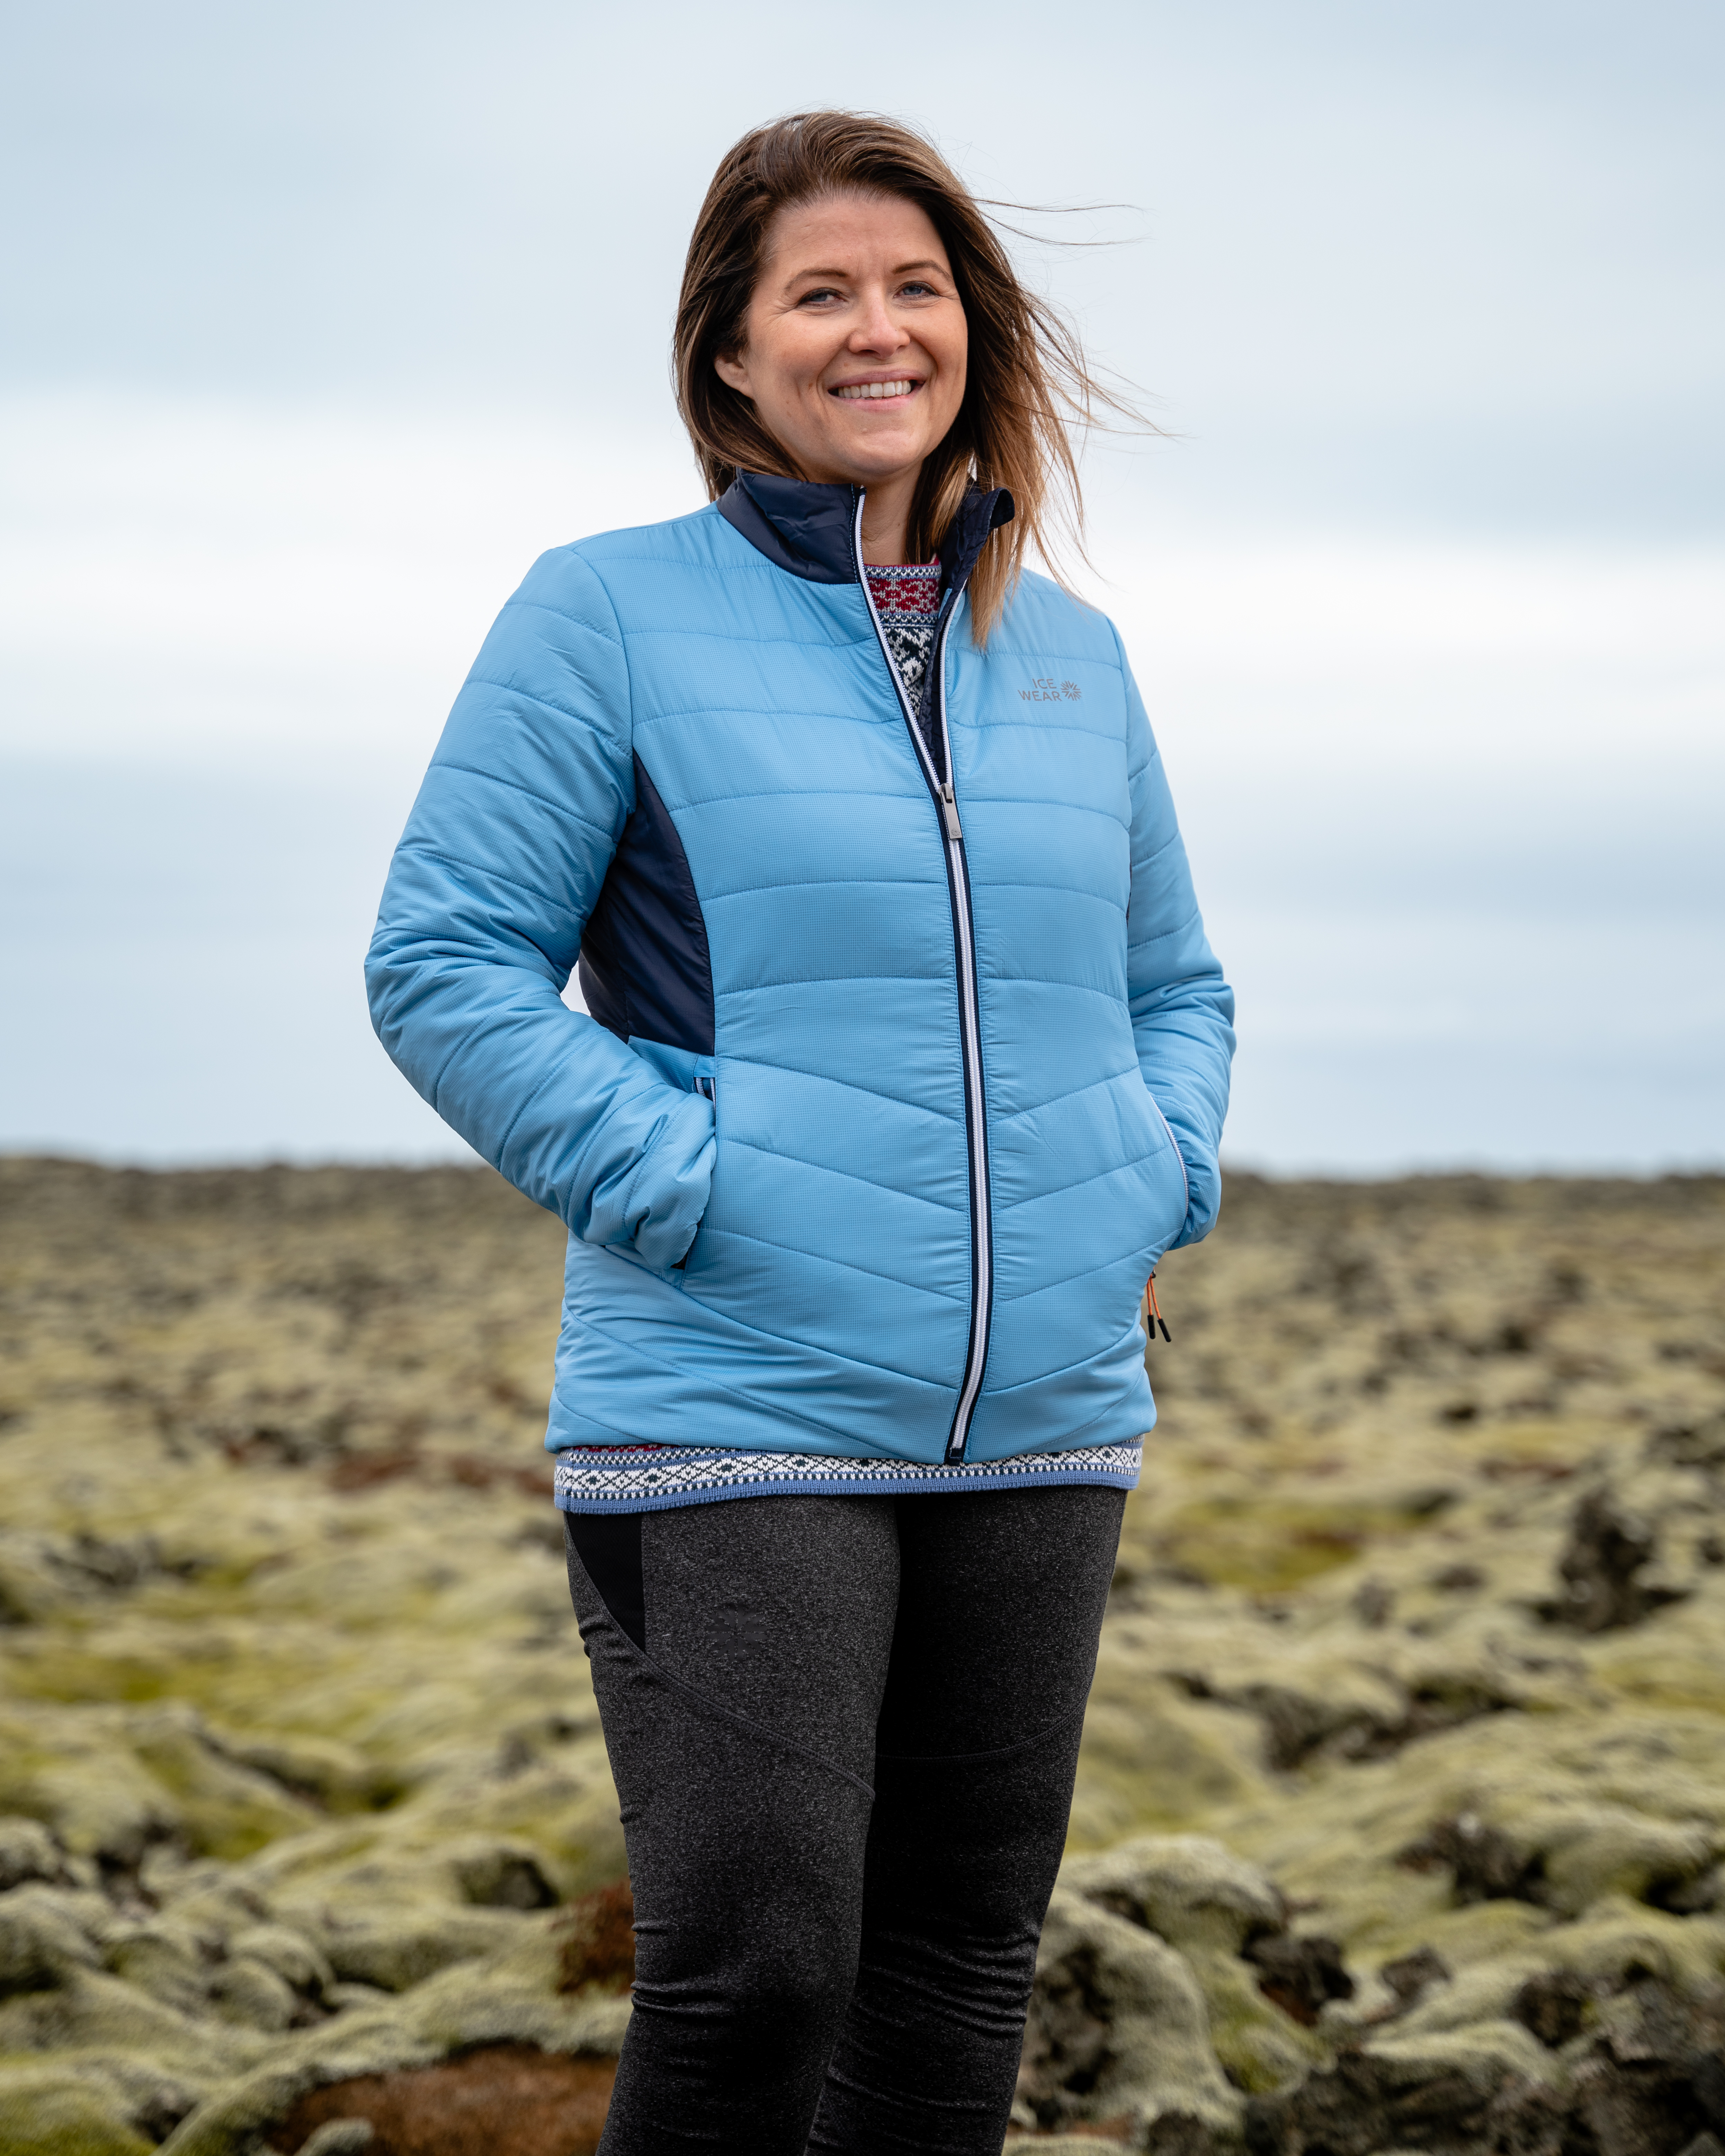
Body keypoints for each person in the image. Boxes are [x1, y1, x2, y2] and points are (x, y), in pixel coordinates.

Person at [367, 109, 1234, 2156]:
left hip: (1044, 1410)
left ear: (971, 327)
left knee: (956, 1977)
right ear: (730, 355)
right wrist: (693, 1186)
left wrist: (1152, 1173)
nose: (878, 330)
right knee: (757, 1966)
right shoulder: (607, 614)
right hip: (732, 1392)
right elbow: (444, 961)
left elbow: (1175, 988)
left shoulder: (1071, 657)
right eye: (820, 294)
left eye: (915, 287)